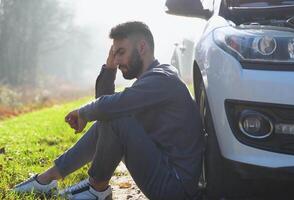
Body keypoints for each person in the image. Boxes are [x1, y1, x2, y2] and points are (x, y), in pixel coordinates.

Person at [12, 21, 204, 200]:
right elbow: (106, 110)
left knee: (116, 117)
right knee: (113, 115)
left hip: (176, 186)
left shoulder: (162, 79)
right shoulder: (152, 79)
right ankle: (48, 179)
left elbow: (110, 107)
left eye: (121, 52)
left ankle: (96, 189)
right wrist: (110, 68)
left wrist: (82, 112)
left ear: (142, 48)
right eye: (114, 53)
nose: (117, 59)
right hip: (165, 173)